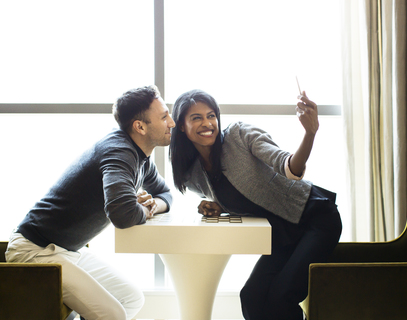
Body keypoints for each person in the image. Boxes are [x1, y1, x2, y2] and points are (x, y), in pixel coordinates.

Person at [169, 89, 342, 320]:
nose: (207, 123)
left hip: (316, 219)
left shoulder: (239, 134)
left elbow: (289, 167)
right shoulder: (193, 175)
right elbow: (239, 195)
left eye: (211, 115)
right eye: (196, 118)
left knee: (281, 297)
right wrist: (217, 205)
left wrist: (310, 133)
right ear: (181, 126)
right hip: (284, 234)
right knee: (251, 296)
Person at [5, 85, 175, 320]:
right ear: (140, 126)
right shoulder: (119, 152)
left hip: (67, 250)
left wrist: (154, 204)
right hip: (37, 250)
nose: (172, 123)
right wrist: (141, 209)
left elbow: (165, 193)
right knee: (112, 314)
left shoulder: (140, 158)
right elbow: (122, 213)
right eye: (165, 116)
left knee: (132, 298)